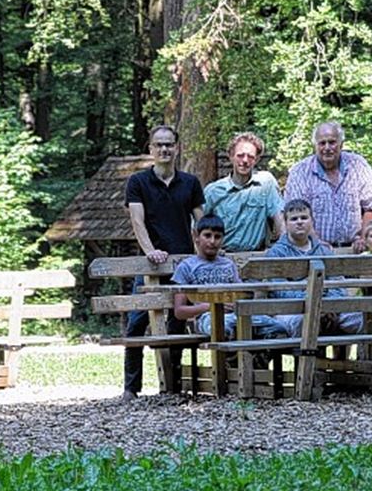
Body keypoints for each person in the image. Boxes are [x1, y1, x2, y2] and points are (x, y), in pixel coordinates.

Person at [122, 125, 204, 402]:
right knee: (136, 323)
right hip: (151, 265)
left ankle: (172, 384)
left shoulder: (190, 183)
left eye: (169, 144)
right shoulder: (138, 182)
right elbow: (137, 220)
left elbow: (200, 222)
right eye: (159, 145)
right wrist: (150, 251)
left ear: (176, 148)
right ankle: (131, 388)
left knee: (177, 324)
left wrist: (201, 254)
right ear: (151, 150)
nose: (164, 149)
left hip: (182, 264)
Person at [172, 215, 289, 340]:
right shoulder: (186, 267)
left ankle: (256, 358)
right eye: (207, 235)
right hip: (207, 317)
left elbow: (241, 294)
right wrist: (211, 306)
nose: (212, 241)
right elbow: (179, 312)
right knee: (224, 329)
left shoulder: (228, 264)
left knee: (277, 328)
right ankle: (232, 358)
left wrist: (239, 300)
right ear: (196, 237)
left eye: (217, 237)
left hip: (236, 314)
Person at [265, 198, 364, 337]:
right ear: (286, 224)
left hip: (329, 307)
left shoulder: (323, 251)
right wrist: (313, 300)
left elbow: (338, 284)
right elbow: (279, 290)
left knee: (364, 319)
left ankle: (365, 357)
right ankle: (307, 358)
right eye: (294, 219)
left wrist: (328, 305)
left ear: (311, 221)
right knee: (303, 323)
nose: (299, 222)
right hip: (292, 311)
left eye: (304, 218)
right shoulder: (276, 253)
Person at [284, 120, 372, 252]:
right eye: (322, 143)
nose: (327, 148)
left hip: (354, 249)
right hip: (313, 250)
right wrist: (316, 242)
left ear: (341, 144)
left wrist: (363, 238)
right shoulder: (300, 171)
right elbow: (294, 213)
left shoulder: (358, 165)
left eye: (332, 142)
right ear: (315, 146)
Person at [202, 132, 284, 252]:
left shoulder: (266, 184)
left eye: (250, 156)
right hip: (221, 257)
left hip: (256, 257)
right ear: (231, 156)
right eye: (240, 155)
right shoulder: (213, 191)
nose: (245, 160)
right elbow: (197, 228)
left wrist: (283, 249)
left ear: (256, 159)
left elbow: (280, 220)